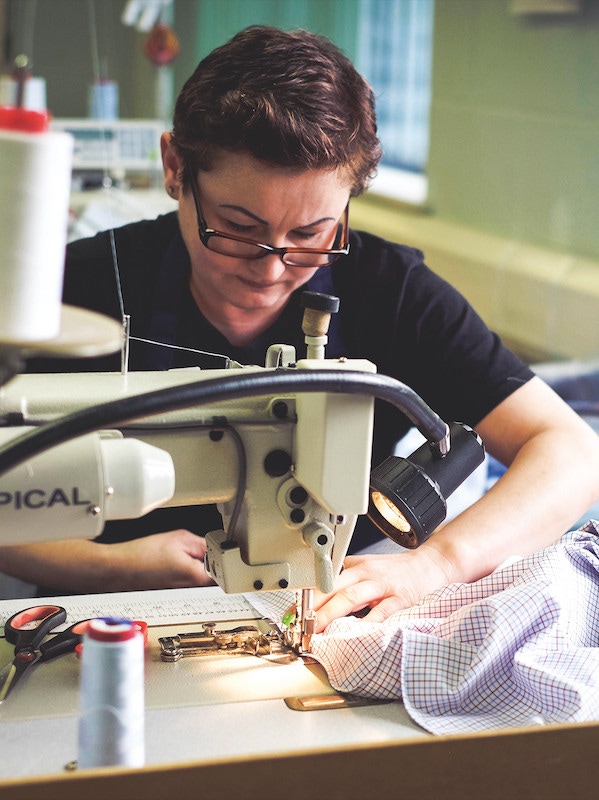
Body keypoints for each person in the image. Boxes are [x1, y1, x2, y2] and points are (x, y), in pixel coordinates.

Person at [1, 25, 598, 626]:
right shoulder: (64, 291)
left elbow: (572, 453)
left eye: (311, 234)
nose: (273, 266)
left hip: (322, 612)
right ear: (175, 168)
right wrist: (107, 564)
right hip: (96, 615)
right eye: (238, 226)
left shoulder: (389, 290)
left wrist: (434, 565)